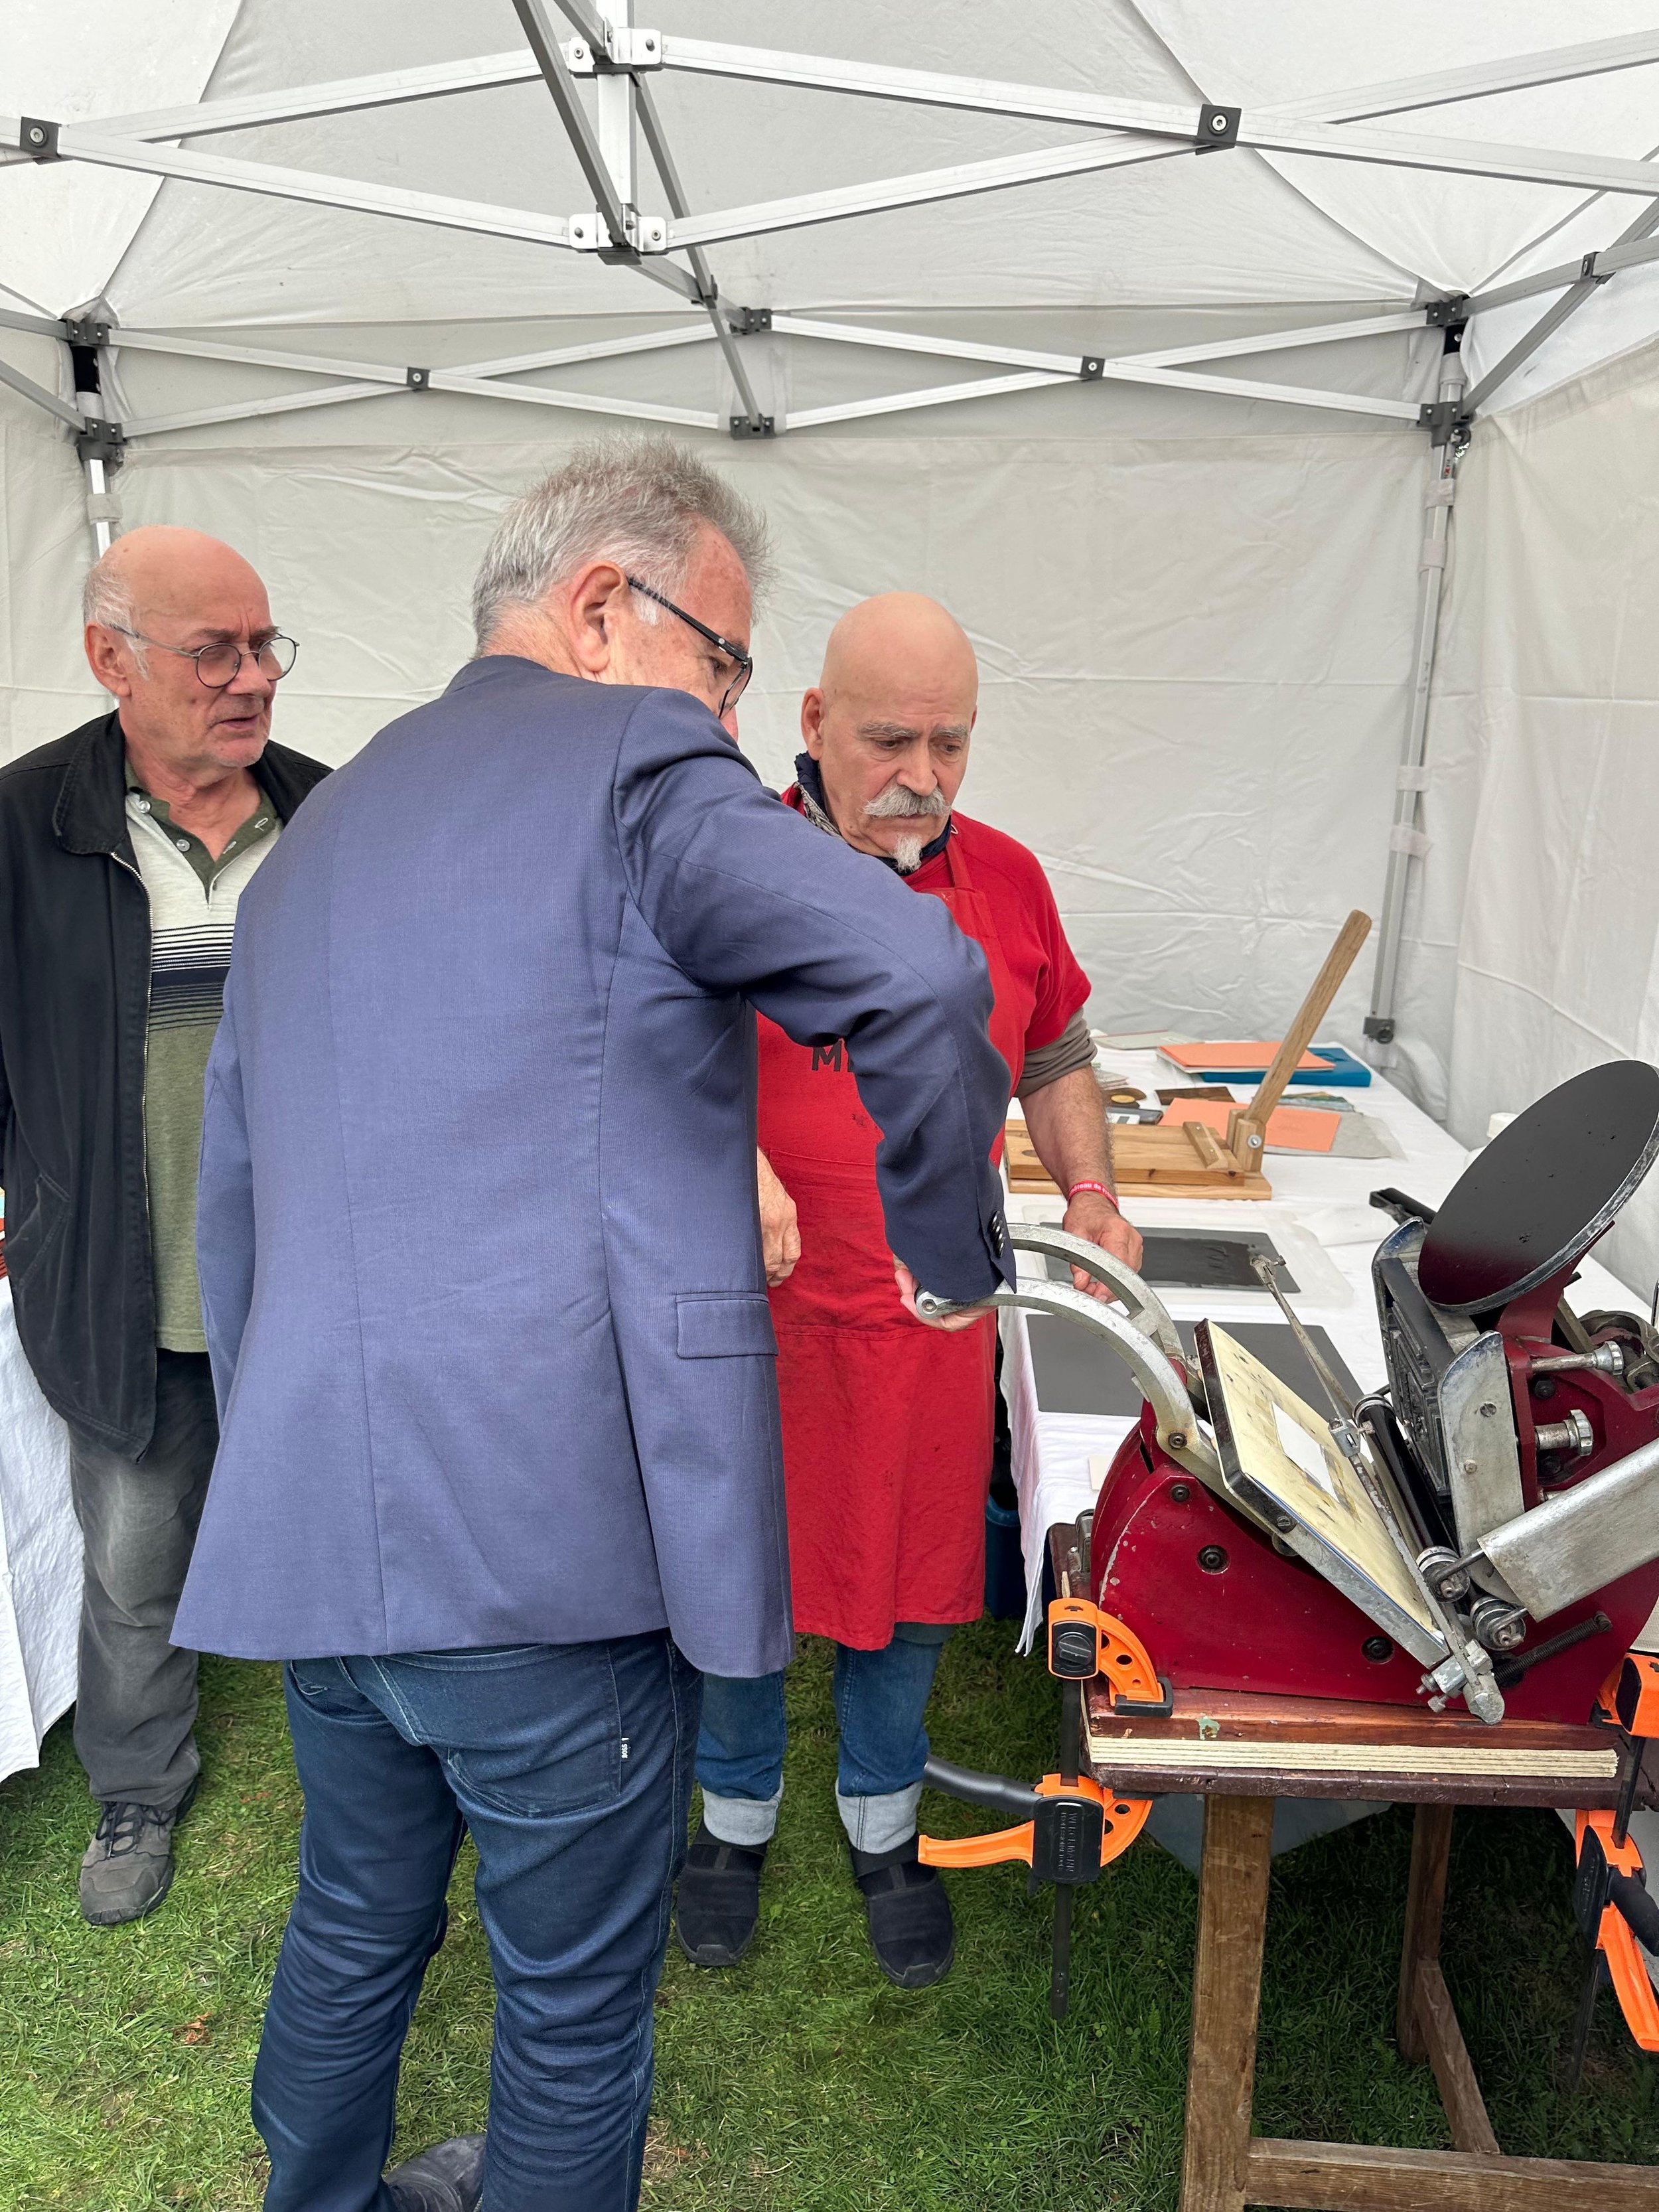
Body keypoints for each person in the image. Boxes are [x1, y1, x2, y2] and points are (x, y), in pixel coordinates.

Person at [172, 442, 1016, 2212]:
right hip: (548, 1545)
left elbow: (236, 1194)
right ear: (605, 608)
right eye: (723, 661)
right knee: (566, 2005)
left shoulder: (324, 820)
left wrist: (275, 1449)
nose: (725, 710)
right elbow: (923, 972)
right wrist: (947, 1260)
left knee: (352, 1921)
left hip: (322, 1509)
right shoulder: (638, 759)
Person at [678, 593, 1142, 1989]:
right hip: (746, 1307)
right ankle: (728, 1820)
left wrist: (1094, 1192)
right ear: (809, 723)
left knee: (911, 1570)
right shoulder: (721, 864)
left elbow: (1053, 1052)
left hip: (929, 1307)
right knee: (741, 1565)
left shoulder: (1002, 878)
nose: (922, 775)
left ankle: (880, 1819)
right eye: (888, 738)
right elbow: (631, 1046)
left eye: (950, 741)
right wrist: (732, 1146)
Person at [0, 526, 325, 1926]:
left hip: (308, 1278)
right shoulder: (23, 828)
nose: (251, 678)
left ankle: (364, 1763)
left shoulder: (328, 818)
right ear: (110, 660)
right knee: (136, 1552)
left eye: (263, 646)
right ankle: (137, 1782)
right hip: (116, 1276)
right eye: (215, 651)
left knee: (333, 1527)